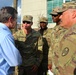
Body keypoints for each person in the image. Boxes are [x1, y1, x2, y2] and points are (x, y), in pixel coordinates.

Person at [48, 1, 76, 75]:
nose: (60, 17)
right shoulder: (69, 32)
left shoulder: (73, 35)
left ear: (74, 14)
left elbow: (66, 70)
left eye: (62, 14)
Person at [0, 6, 22, 75]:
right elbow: (15, 60)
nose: (16, 22)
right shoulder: (5, 35)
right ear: (10, 19)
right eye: (16, 19)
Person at [48, 7, 66, 72]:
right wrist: (49, 61)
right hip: (54, 63)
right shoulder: (53, 30)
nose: (53, 17)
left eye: (55, 15)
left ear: (61, 15)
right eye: (52, 15)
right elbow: (51, 47)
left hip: (63, 63)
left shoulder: (66, 29)